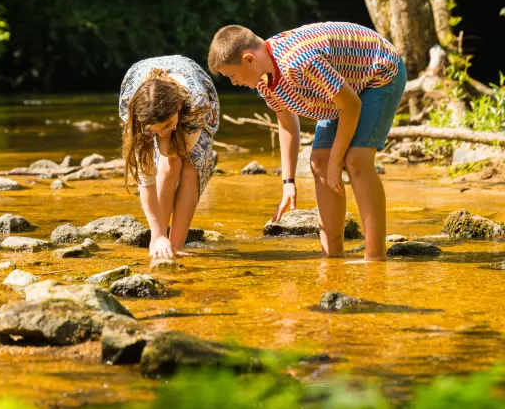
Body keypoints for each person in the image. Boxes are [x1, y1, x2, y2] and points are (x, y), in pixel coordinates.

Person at [208, 22, 406, 261]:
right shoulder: (264, 80)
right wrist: (288, 182)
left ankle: (374, 257)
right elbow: (287, 123)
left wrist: (337, 160)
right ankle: (332, 256)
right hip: (343, 89)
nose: (233, 82)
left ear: (249, 59)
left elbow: (351, 104)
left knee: (355, 160)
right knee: (318, 161)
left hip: (378, 72)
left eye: (232, 75)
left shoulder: (299, 62)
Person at [120, 55, 219, 259]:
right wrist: (157, 235)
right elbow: (146, 179)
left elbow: (177, 158)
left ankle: (176, 245)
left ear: (178, 109)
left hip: (194, 88)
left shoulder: (196, 104)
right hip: (139, 80)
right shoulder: (132, 113)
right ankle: (159, 241)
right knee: (165, 163)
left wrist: (169, 132)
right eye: (156, 131)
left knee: (189, 166)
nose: (164, 133)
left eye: (167, 125)